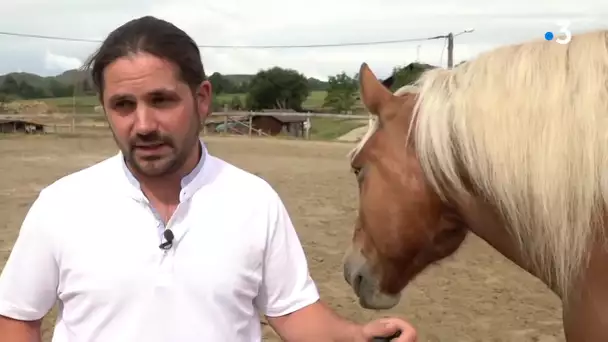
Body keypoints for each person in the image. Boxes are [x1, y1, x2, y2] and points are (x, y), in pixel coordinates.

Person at [0, 16, 417, 342]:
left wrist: (355, 336)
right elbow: (17, 318)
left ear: (201, 99)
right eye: (123, 105)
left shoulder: (255, 202)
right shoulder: (62, 205)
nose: (143, 124)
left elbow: (292, 311)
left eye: (161, 100)